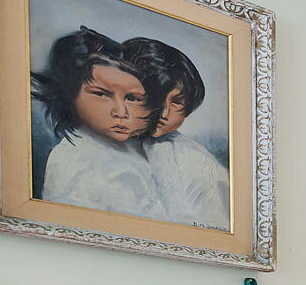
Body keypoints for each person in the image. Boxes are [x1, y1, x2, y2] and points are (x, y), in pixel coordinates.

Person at [30, 28, 166, 220]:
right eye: (101, 94)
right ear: (70, 94)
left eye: (131, 98)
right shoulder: (74, 161)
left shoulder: (140, 147)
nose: (121, 112)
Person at [124, 36, 231, 231]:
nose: (164, 113)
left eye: (177, 102)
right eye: (153, 98)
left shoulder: (192, 158)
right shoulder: (97, 144)